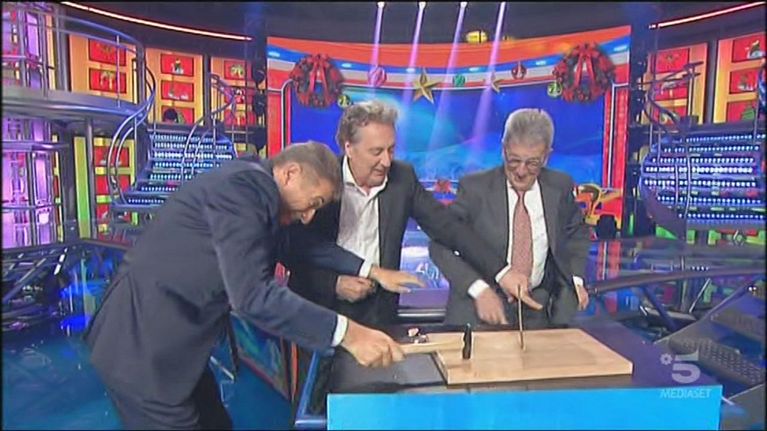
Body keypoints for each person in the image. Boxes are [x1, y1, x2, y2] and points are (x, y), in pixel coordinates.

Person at [83, 142, 420, 430]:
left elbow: (300, 245)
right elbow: (253, 296)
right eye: (314, 202)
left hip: (175, 347)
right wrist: (349, 334)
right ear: (290, 174)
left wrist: (372, 270)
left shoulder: (257, 194)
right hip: (140, 348)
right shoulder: (244, 190)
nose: (309, 217)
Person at [288, 100, 536, 329]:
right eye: (376, 152)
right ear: (349, 147)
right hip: (322, 311)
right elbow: (296, 250)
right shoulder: (322, 181)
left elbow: (449, 228)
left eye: (391, 150)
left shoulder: (402, 178)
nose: (386, 161)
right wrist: (334, 285)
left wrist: (502, 272)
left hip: (378, 315)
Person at [429, 108, 591, 329]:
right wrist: (478, 289)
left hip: (538, 312)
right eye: (514, 160)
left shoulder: (559, 186)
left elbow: (577, 233)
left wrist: (576, 280)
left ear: (546, 156)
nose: (521, 171)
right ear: (504, 149)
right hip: (480, 312)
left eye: (532, 163)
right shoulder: (475, 189)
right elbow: (440, 243)